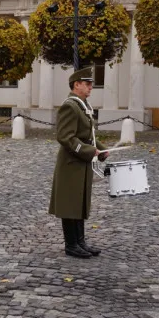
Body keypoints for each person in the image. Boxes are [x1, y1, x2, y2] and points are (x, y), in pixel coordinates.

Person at [49, 66, 109, 259]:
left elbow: (87, 136)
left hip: (81, 163)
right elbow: (65, 137)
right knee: (70, 204)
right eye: (87, 83)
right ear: (77, 85)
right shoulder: (70, 106)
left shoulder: (82, 106)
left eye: (91, 83)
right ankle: (71, 244)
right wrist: (90, 151)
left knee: (79, 202)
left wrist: (100, 149)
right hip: (70, 164)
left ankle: (80, 241)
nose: (91, 86)